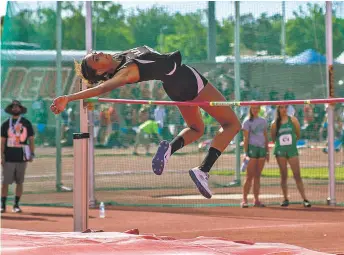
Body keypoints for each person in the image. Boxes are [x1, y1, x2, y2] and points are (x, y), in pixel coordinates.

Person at [50, 46, 241, 199]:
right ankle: (203, 170)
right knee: (232, 124)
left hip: (172, 87)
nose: (98, 53)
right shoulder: (127, 71)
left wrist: (81, 95)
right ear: (100, 70)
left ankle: (169, 150)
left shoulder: (120, 57)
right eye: (96, 58)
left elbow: (101, 78)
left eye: (94, 53)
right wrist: (70, 97)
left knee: (196, 128)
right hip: (187, 78)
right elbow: (103, 88)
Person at [271, 105, 311, 207]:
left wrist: (291, 143)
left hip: (292, 150)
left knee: (297, 175)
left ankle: (305, 199)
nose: (283, 109)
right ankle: (285, 198)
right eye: (281, 108)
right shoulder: (275, 123)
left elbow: (297, 134)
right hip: (280, 151)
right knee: (283, 175)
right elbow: (273, 138)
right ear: (278, 109)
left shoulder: (293, 120)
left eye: (285, 107)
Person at [1, 100, 35, 213]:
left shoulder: (26, 123)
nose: (15, 109)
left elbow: (31, 140)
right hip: (8, 157)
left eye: (17, 107)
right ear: (11, 110)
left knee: (19, 182)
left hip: (22, 156)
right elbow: (2, 141)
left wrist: (31, 153)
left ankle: (16, 205)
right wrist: (1, 156)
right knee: (5, 182)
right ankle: (3, 205)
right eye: (13, 107)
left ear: (21, 109)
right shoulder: (5, 124)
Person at [241, 105, 269, 208]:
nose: (255, 110)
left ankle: (256, 199)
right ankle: (244, 199)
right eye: (253, 108)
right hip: (252, 149)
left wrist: (267, 151)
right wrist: (246, 152)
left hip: (261, 149)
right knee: (249, 176)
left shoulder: (263, 121)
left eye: (257, 108)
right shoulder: (247, 121)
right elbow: (246, 138)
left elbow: (266, 136)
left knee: (257, 176)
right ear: (250, 109)